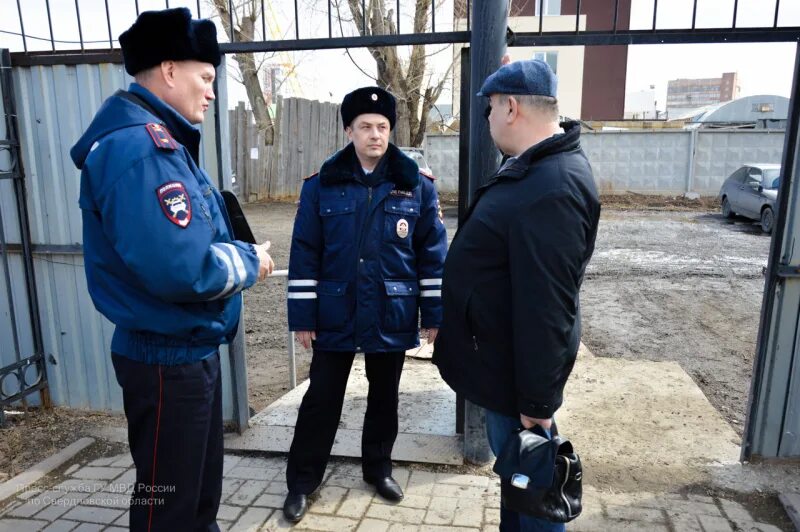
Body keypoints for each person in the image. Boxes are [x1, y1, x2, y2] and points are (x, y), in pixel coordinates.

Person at [69, 8, 274, 531]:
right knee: (169, 508)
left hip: (184, 353)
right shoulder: (141, 149)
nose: (210, 92)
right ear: (168, 69)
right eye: (204, 78)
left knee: (195, 499)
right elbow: (183, 268)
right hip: (167, 362)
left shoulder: (160, 143)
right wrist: (252, 261)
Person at [433, 59, 601, 532]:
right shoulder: (535, 170)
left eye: (489, 109)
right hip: (505, 372)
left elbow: (547, 307)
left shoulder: (552, 187)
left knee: (536, 496)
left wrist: (536, 402)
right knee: (520, 485)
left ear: (510, 107)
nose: (486, 120)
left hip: (519, 385)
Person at [283, 86, 448, 522]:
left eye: (382, 127)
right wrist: (302, 317)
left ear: (390, 131)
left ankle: (378, 470)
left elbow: (433, 255)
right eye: (365, 127)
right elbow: (304, 253)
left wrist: (434, 314)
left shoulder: (416, 186)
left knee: (384, 398)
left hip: (391, 310)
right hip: (334, 312)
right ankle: (302, 481)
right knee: (322, 398)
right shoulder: (322, 186)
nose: (375, 135)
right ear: (348, 131)